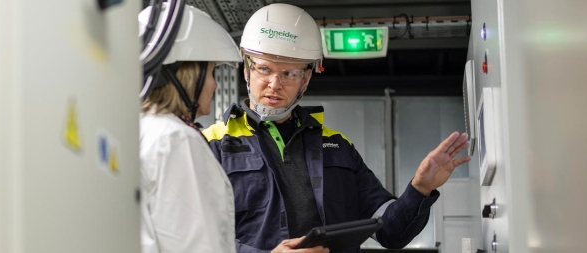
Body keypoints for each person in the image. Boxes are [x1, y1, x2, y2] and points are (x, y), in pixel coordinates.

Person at [201, 4, 471, 253]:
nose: (274, 84)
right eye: (264, 69)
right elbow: (190, 238)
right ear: (247, 68)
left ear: (306, 77)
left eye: (289, 73)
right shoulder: (210, 146)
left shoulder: (337, 147)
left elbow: (391, 234)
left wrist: (420, 189)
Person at [137, 4, 328, 253]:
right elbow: (198, 245)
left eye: (289, 73)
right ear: (187, 76)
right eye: (211, 72)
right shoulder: (177, 139)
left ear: (305, 77)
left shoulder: (142, 132)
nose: (215, 85)